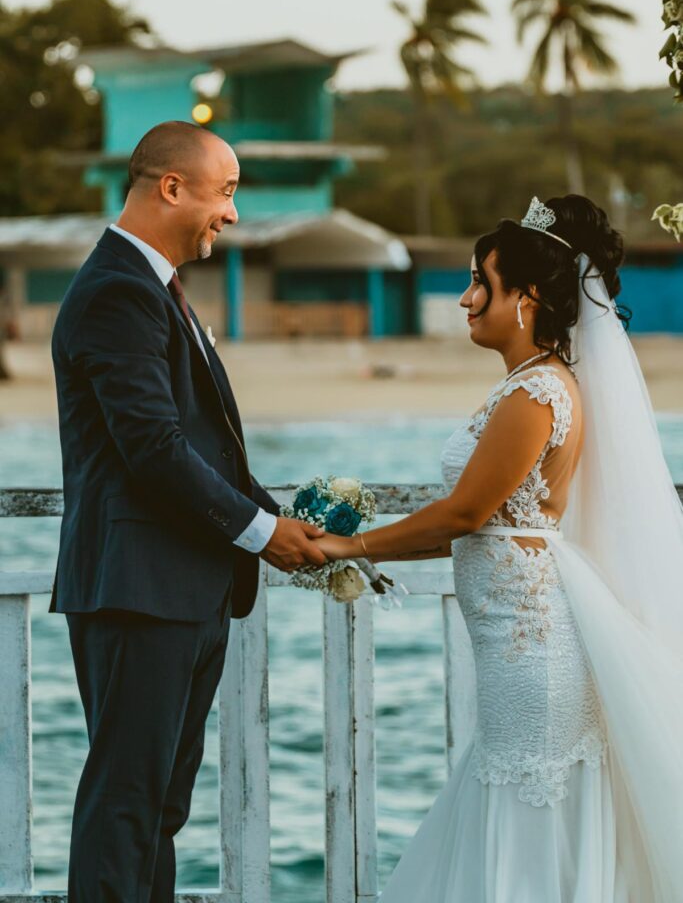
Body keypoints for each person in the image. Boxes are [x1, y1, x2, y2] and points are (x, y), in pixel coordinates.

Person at [320, 194, 683, 901]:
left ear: (528, 297)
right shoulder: (527, 384)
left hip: (534, 648)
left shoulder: (539, 391)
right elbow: (484, 523)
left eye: (480, 282)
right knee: (510, 791)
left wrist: (347, 545)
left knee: (528, 800)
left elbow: (463, 513)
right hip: (516, 641)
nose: (464, 299)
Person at [50, 120, 328, 903]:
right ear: (171, 186)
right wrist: (263, 532)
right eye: (226, 191)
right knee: (126, 808)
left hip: (184, 588)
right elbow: (156, 450)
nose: (233, 214)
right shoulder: (116, 292)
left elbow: (208, 449)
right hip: (139, 591)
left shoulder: (156, 289)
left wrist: (281, 517)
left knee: (159, 809)